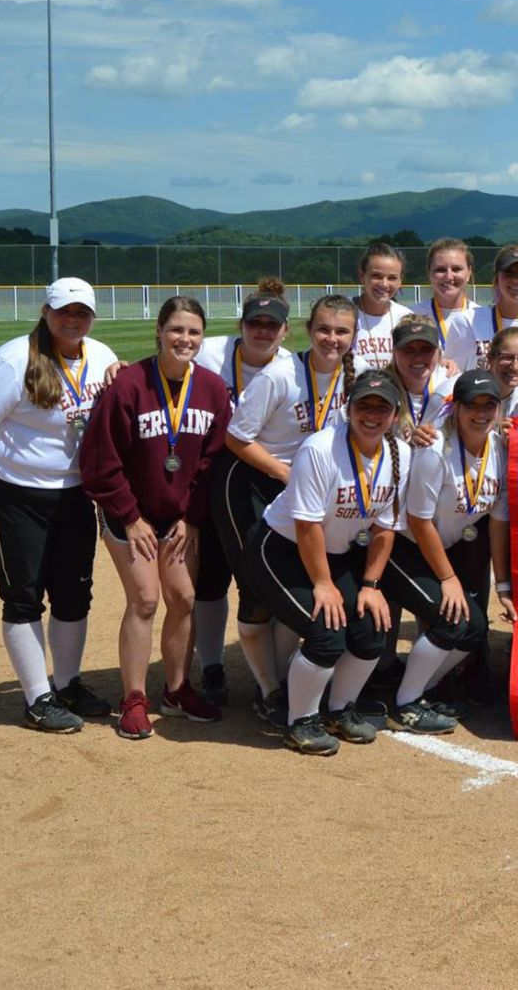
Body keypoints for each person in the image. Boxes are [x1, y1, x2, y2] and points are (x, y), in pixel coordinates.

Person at [0, 277, 122, 732]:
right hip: (14, 491)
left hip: (74, 492)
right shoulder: (13, 361)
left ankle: (66, 683)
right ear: (46, 312)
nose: (73, 320)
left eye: (82, 313)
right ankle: (37, 698)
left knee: (74, 592)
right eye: (63, 311)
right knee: (24, 593)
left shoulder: (102, 356)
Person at [79, 296, 233, 741]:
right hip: (130, 516)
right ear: (159, 332)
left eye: (194, 332)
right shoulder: (128, 385)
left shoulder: (210, 389)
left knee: (184, 598)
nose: (185, 339)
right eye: (177, 330)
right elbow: (100, 462)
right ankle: (133, 698)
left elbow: (211, 463)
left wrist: (192, 518)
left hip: (179, 519)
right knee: (145, 599)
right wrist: (129, 517)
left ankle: (177, 689)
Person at [241, 369, 410, 755]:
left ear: (395, 415)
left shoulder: (400, 454)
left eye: (381, 408)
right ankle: (300, 721)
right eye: (363, 405)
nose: (371, 414)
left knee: (371, 629)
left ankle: (339, 709)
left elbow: (385, 528)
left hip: (334, 554)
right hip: (279, 548)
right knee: (326, 632)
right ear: (348, 410)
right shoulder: (320, 449)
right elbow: (306, 526)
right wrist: (322, 584)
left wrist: (370, 586)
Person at [220, 292, 360, 729]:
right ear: (306, 330)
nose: (331, 339)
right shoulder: (281, 375)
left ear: (354, 337)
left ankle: (286, 682)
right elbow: (236, 438)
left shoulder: (351, 379)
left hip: (303, 486)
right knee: (258, 589)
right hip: (253, 481)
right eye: (324, 329)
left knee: (294, 584)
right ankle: (267, 689)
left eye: (341, 332)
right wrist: (285, 472)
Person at [380, 368, 515, 732]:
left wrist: (503, 587)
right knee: (454, 621)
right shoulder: (434, 449)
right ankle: (404, 704)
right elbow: (419, 521)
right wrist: (448, 578)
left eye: (490, 404)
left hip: (447, 544)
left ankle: (420, 689)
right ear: (456, 407)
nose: (482, 412)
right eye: (473, 404)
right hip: (403, 546)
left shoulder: (501, 449)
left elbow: (498, 522)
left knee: (474, 629)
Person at [190, 278, 295, 705]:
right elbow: (163, 365)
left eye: (273, 324)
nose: (264, 331)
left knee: (265, 574)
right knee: (210, 579)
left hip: (263, 480)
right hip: (209, 475)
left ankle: (272, 675)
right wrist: (118, 365)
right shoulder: (212, 352)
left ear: (286, 330)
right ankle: (212, 666)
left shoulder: (289, 366)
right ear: (242, 324)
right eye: (256, 323)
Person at [450, 245, 518, 373]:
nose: (516, 280)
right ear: (497, 279)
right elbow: (453, 376)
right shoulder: (466, 322)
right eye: (509, 273)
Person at [352, 239, 413, 371]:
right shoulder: (342, 312)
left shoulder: (406, 317)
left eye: (392, 278)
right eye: (376, 276)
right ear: (362, 275)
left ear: (400, 280)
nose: (384, 284)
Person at [413, 238, 476, 363]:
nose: (449, 276)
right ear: (429, 273)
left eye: (456, 269)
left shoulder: (480, 316)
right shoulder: (412, 316)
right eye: (440, 270)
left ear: (469, 272)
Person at [388, 314, 456, 430]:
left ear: (438, 352)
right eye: (409, 350)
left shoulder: (450, 386)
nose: (418, 357)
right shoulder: (382, 388)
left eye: (426, 349)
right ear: (394, 352)